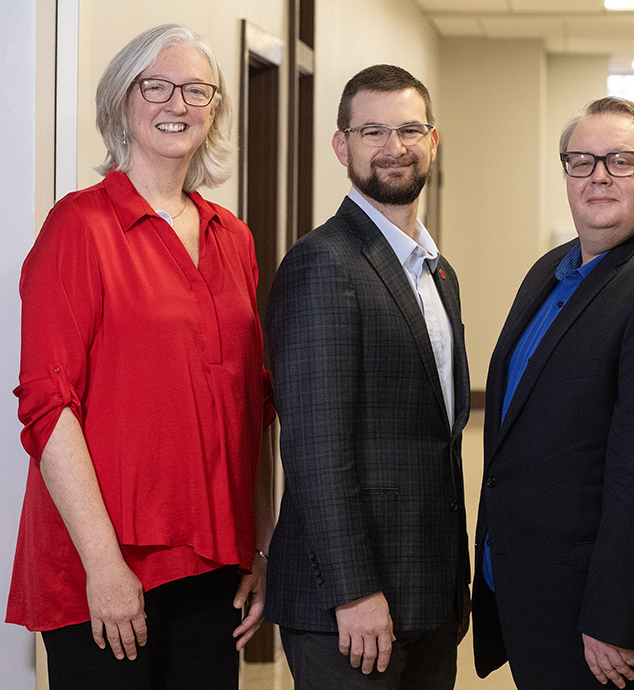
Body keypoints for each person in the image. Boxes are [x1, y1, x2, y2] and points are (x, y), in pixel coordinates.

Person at [8, 23, 274, 689]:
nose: (176, 104)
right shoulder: (80, 227)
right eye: (155, 86)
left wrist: (260, 545)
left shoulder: (232, 238)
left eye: (196, 90)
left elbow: (253, 406)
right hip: (104, 567)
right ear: (122, 102)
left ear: (213, 112)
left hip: (213, 565)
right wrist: (103, 565)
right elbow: (48, 406)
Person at [471, 96, 634, 690]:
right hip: (535, 592)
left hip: (599, 616)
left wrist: (616, 614)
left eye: (620, 161)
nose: (598, 177)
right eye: (581, 161)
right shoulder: (551, 270)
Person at [264, 64, 470, 690]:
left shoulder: (437, 272)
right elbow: (314, 446)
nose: (394, 147)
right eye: (372, 130)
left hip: (428, 592)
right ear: (341, 145)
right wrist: (355, 592)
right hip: (349, 606)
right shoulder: (321, 264)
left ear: (433, 141)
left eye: (410, 129)